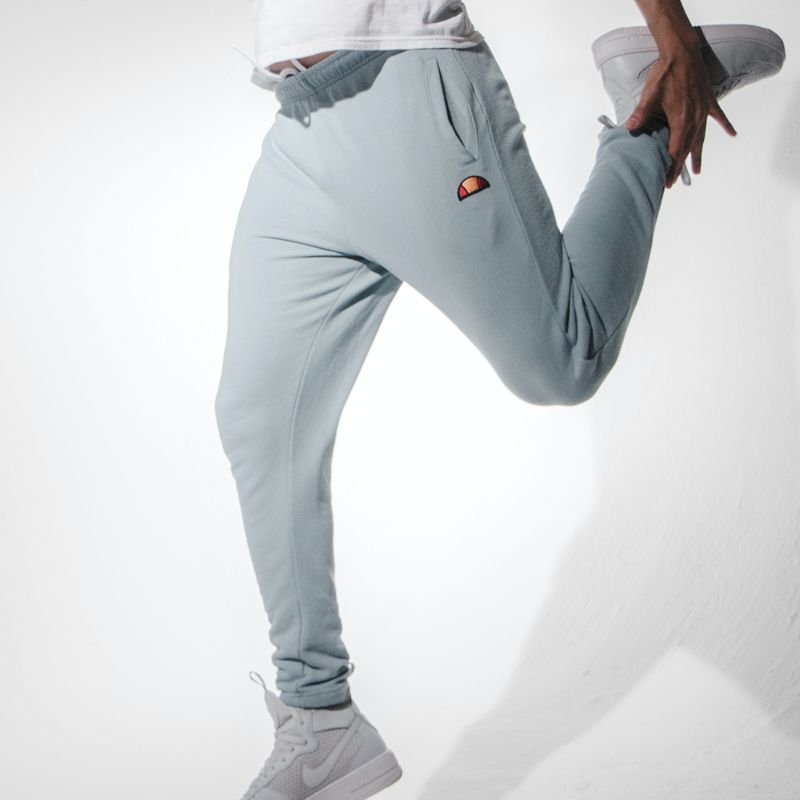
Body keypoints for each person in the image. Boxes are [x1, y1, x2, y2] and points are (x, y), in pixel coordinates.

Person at [214, 2, 785, 798]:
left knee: (562, 361)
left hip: (406, 82)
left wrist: (673, 36)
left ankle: (644, 122)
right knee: (258, 419)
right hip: (299, 122)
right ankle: (321, 716)